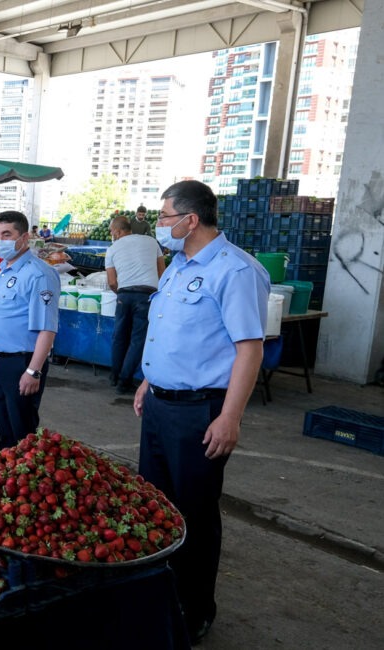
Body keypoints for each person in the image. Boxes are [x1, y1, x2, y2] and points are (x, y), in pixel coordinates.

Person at [132, 180, 269, 645]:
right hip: (160, 406)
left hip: (200, 413)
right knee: (154, 507)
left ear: (191, 220)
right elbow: (174, 332)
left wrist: (229, 417)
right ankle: (156, 597)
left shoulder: (235, 271)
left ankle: (194, 609)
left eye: (166, 217)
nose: (160, 225)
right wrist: (151, 379)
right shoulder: (176, 266)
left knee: (193, 514)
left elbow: (249, 349)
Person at [0, 211, 60, 450]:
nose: (0, 240)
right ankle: (4, 478)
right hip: (0, 361)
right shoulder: (6, 269)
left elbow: (47, 328)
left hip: (22, 364)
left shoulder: (39, 274)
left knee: (22, 434)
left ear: (24, 237)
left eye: (7, 234)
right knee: (5, 431)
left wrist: (33, 371)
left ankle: (22, 476)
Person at [105, 216, 165, 395]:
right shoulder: (151, 242)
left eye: (111, 231)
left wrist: (122, 295)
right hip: (147, 295)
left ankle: (115, 376)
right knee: (138, 339)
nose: (111, 234)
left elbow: (112, 282)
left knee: (119, 336)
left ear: (117, 231)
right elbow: (162, 272)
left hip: (124, 295)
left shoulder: (112, 249)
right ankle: (125, 381)